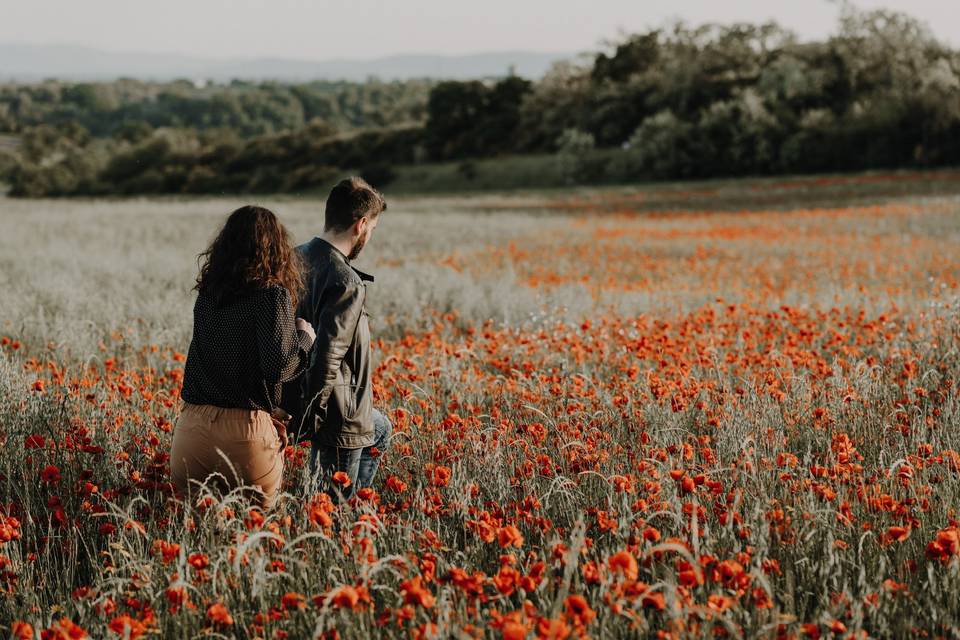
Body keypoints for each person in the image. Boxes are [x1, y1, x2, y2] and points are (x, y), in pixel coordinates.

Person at [171, 205, 316, 508]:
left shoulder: (209, 294)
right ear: (276, 248)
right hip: (245, 435)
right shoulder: (271, 295)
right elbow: (279, 367)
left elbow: (224, 360)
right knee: (254, 538)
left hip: (192, 430)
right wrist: (305, 337)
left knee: (197, 535)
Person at [281, 177, 391, 500]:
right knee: (327, 509)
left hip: (296, 392)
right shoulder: (347, 282)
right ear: (361, 225)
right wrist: (309, 423)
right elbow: (327, 359)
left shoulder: (294, 257)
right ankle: (350, 517)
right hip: (335, 414)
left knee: (381, 429)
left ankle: (355, 507)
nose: (369, 236)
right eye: (372, 229)